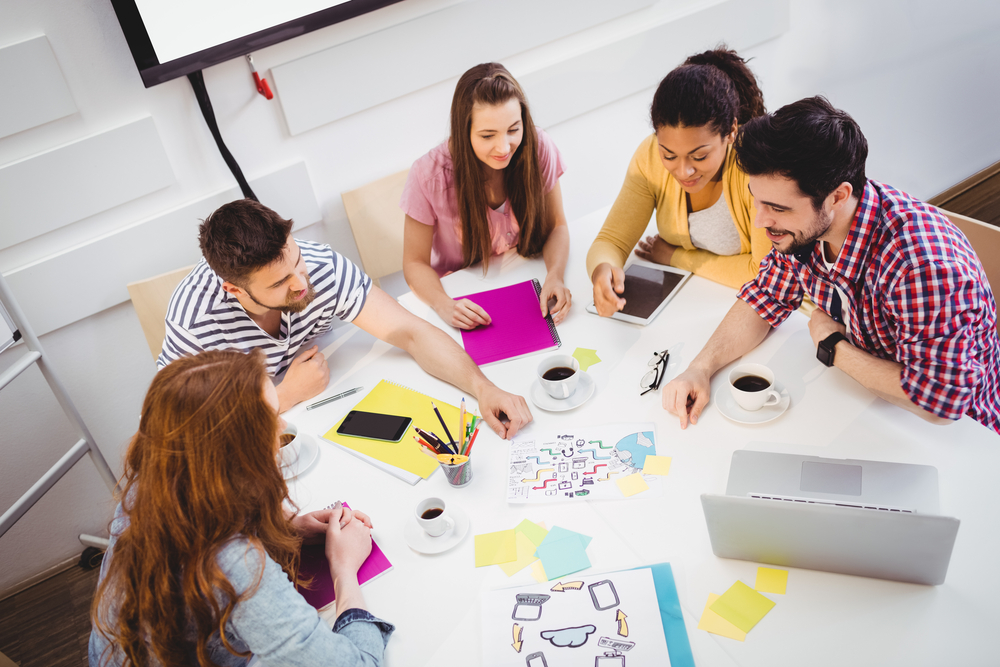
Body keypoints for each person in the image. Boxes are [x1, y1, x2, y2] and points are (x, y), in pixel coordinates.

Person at [661, 96, 1000, 433]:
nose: (761, 221)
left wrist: (833, 347)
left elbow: (940, 402)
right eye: (757, 200)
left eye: (778, 208)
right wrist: (700, 368)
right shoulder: (803, 228)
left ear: (837, 196)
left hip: (961, 438)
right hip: (871, 406)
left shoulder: (920, 266)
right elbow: (765, 296)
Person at [90, 349, 392, 666]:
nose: (283, 425)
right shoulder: (239, 565)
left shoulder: (154, 480)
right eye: (271, 419)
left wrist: (290, 530)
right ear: (237, 451)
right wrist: (344, 569)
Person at [158, 199, 531, 436]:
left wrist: (484, 389)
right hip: (258, 445)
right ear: (235, 290)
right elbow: (179, 430)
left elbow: (410, 332)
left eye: (296, 261)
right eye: (279, 283)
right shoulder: (194, 322)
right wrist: (284, 394)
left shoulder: (319, 264)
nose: (301, 283)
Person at [587, 47, 772, 316]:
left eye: (700, 156)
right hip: (695, 304)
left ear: (731, 131)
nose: (684, 171)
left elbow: (764, 274)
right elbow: (611, 240)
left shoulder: (755, 166)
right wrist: (602, 270)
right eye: (669, 155)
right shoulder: (649, 156)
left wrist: (675, 257)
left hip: (760, 309)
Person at [401, 62, 571, 330]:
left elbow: (557, 226)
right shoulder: (428, 175)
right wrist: (443, 303)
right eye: (487, 135)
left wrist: (555, 276)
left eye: (514, 130)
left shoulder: (539, 147)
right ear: (463, 130)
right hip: (465, 299)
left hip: (528, 279)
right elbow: (414, 263)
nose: (504, 148)